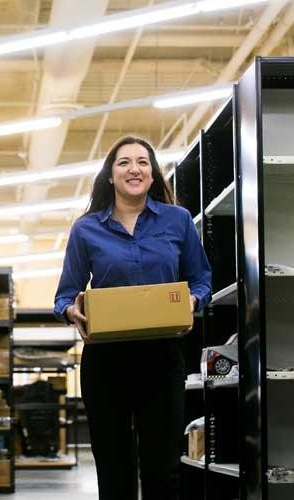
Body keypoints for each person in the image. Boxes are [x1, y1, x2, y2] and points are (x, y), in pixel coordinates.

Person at [54, 136, 211, 500]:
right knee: (113, 469)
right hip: (106, 360)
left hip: (162, 357)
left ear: (153, 174)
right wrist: (72, 311)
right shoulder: (86, 228)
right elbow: (65, 293)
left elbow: (201, 278)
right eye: (124, 162)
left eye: (143, 162)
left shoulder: (178, 221)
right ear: (110, 175)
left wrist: (192, 300)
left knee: (161, 469)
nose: (134, 169)